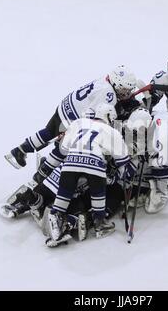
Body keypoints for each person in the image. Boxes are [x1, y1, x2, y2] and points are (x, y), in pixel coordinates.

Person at [6, 66, 137, 169]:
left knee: (48, 132)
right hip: (72, 118)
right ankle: (44, 172)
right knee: (63, 149)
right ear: (117, 83)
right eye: (124, 89)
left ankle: (20, 150)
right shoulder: (110, 95)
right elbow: (96, 117)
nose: (126, 93)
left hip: (65, 107)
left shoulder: (104, 80)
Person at [47, 104, 136, 245]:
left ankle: (56, 221)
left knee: (65, 192)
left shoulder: (78, 123)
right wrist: (123, 175)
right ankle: (100, 225)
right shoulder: (112, 131)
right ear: (109, 117)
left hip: (71, 162)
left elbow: (63, 149)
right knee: (98, 193)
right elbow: (122, 161)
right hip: (95, 164)